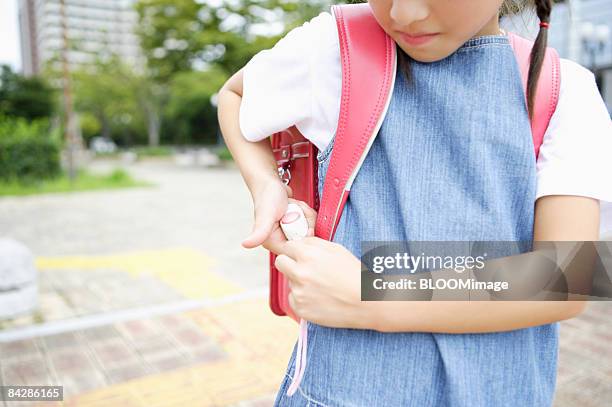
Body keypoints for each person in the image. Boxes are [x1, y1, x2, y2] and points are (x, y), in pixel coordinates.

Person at [217, 0, 612, 405]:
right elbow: (235, 94)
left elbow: (567, 278)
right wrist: (267, 185)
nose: (403, 14)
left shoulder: (566, 90)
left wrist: (371, 296)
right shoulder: (338, 45)